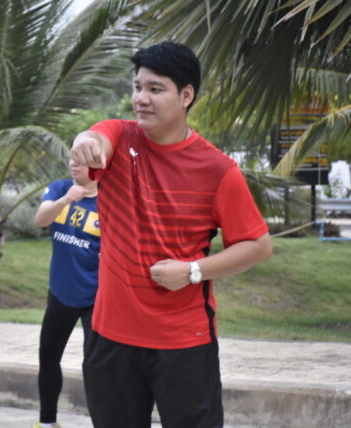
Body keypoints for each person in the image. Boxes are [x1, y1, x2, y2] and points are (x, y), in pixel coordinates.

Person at [70, 41, 273, 428]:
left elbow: (258, 246)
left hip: (184, 341)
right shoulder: (121, 139)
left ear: (186, 96)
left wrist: (193, 271)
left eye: (155, 89)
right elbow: (96, 138)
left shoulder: (218, 169)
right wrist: (84, 142)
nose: (140, 99)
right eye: (137, 87)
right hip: (111, 338)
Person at [32, 157, 100, 428]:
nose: (74, 163)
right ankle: (47, 422)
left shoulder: (110, 199)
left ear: (98, 167)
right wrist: (66, 200)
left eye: (81, 160)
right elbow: (40, 219)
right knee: (48, 356)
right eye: (72, 157)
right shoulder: (59, 188)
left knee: (95, 367)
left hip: (96, 297)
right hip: (61, 291)